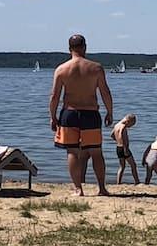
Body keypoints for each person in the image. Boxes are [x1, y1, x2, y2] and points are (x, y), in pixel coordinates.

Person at [47, 34, 115, 196]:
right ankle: (102, 188)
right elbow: (105, 92)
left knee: (72, 152)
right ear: (85, 47)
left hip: (69, 113)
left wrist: (53, 116)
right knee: (96, 152)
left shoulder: (62, 69)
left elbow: (54, 96)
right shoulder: (95, 68)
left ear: (69, 49)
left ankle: (78, 189)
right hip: (90, 113)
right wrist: (109, 111)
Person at [112, 114, 140, 183]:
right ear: (128, 121)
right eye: (132, 124)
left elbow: (112, 135)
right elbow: (122, 137)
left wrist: (118, 141)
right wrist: (125, 149)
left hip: (118, 148)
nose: (131, 126)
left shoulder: (116, 125)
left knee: (122, 166)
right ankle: (137, 181)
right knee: (133, 165)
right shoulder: (123, 127)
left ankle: (118, 182)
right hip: (124, 148)